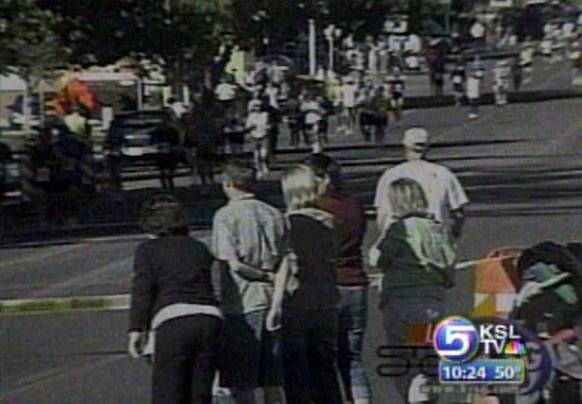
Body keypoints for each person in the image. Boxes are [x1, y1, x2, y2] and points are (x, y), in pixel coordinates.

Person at [128, 195, 223, 404]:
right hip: (209, 319)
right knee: (200, 393)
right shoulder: (199, 248)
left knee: (169, 393)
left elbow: (143, 290)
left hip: (173, 320)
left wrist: (137, 329)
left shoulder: (147, 251)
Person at [375, 178, 457, 404]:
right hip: (431, 300)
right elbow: (449, 260)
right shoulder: (437, 229)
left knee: (403, 358)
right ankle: (428, 392)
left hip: (400, 300)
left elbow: (378, 259)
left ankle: (413, 395)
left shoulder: (397, 230)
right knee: (427, 352)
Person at [267, 164, 343, 404]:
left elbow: (286, 263)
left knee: (297, 372)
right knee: (325, 370)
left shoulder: (288, 223)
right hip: (327, 299)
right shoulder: (330, 222)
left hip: (298, 301)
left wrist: (276, 301)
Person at [211, 162, 287, 404]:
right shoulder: (274, 213)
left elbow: (233, 263)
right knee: (272, 379)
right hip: (271, 299)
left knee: (242, 382)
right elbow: (285, 259)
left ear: (229, 184)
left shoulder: (225, 216)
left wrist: (261, 275)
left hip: (241, 304)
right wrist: (276, 299)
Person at [304, 154, 372, 404]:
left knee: (323, 361)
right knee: (352, 359)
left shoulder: (317, 208)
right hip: (355, 281)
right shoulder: (353, 204)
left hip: (328, 285)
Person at [373, 128, 469, 240]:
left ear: (405, 146)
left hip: (400, 238)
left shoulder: (391, 175)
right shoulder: (442, 173)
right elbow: (458, 211)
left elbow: (382, 213)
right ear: (427, 148)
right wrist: (454, 235)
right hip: (436, 237)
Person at [246, 99, 271, 179]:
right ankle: (258, 171)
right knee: (256, 155)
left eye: (259, 106)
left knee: (264, 154)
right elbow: (247, 126)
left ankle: (264, 166)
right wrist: (251, 127)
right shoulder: (251, 116)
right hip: (254, 136)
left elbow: (268, 124)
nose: (258, 108)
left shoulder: (265, 115)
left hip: (264, 135)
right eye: (256, 106)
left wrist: (268, 127)